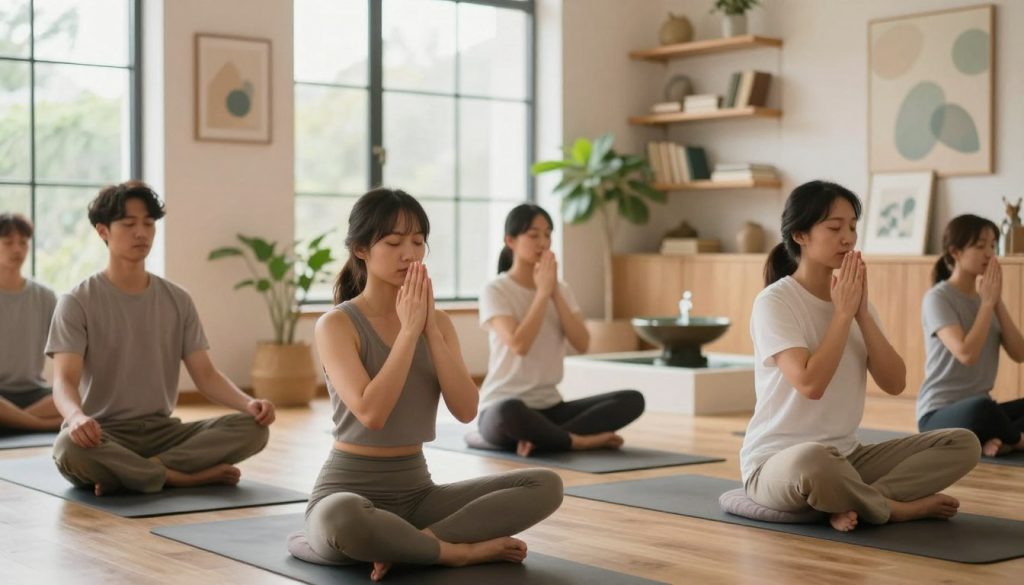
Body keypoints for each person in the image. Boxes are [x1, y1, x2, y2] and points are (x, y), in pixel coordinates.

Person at [299, 188, 563, 581]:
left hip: (418, 494)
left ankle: (412, 544)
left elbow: (466, 409)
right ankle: (452, 552)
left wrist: (429, 331)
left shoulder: (438, 323)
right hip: (348, 489)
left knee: (545, 484)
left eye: (418, 242)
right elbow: (372, 413)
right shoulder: (336, 324)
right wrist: (408, 333)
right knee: (342, 518)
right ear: (360, 249)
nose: (410, 253)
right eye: (393, 242)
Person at [740, 180, 979, 532]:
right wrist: (842, 314)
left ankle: (865, 500)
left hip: (849, 458)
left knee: (963, 443)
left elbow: (896, 383)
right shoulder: (775, 303)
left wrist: (861, 315)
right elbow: (810, 384)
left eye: (852, 226)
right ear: (800, 235)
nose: (849, 238)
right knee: (814, 458)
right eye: (835, 228)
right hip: (778, 462)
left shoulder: (856, 304)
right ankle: (892, 509)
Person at [48, 181, 274, 495]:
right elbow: (64, 380)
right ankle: (179, 476)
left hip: (163, 432)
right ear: (103, 232)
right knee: (67, 449)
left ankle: (136, 473)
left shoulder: (177, 300)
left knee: (254, 430)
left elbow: (205, 375)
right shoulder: (77, 301)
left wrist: (250, 403)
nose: (141, 233)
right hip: (104, 433)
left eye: (149, 224)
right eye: (128, 224)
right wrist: (75, 418)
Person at [475, 203, 644, 457]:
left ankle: (542, 438)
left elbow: (582, 344)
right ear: (510, 240)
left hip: (551, 407)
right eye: (533, 235)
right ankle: (577, 441)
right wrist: (542, 294)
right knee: (508, 411)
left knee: (632, 399)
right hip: (504, 406)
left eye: (547, 234)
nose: (543, 242)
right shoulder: (495, 290)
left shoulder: (561, 289)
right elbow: (519, 345)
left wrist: (553, 292)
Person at [917, 214, 1024, 456]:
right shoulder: (938, 298)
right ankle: (1016, 440)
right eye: (980, 246)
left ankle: (1000, 440)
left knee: (988, 409)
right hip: (938, 414)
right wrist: (987, 304)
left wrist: (995, 302)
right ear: (955, 252)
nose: (989, 253)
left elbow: (1019, 354)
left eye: (992, 245)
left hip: (984, 411)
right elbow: (966, 354)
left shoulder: (986, 298)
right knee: (982, 408)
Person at [0, 213, 61, 432]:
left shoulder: (45, 296)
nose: (17, 249)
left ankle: (13, 424)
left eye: (23, 242)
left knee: (86, 396)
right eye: (8, 242)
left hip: (36, 394)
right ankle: (39, 426)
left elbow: (65, 349)